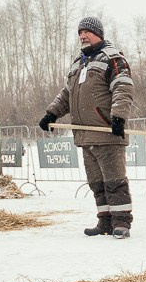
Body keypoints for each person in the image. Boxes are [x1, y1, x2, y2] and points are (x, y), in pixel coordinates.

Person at [38, 17, 135, 239]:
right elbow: (67, 94)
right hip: (85, 136)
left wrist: (118, 117)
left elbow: (123, 88)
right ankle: (105, 221)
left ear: (98, 34)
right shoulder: (78, 63)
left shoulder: (113, 59)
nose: (82, 36)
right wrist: (51, 113)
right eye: (80, 33)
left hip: (107, 133)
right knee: (97, 184)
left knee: (114, 181)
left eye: (87, 32)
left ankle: (121, 223)